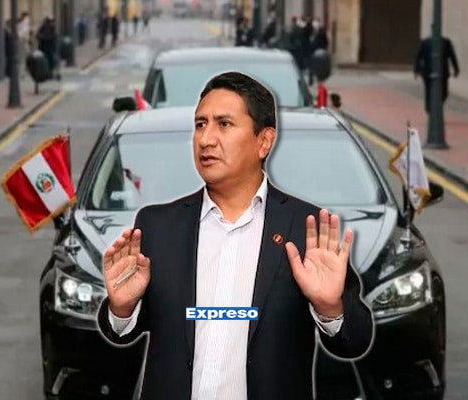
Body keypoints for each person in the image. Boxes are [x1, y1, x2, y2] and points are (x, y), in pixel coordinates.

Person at [96, 72, 374, 399]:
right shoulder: (158, 226)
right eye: (200, 124)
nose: (206, 139)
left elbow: (354, 341)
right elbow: (123, 332)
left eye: (224, 124)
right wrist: (122, 309)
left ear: (264, 141)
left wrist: (330, 308)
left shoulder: (305, 229)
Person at [414, 35, 460, 114]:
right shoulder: (425, 42)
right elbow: (418, 56)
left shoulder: (446, 42)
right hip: (428, 72)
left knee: (443, 93)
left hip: (442, 73)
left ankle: (433, 107)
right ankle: (430, 110)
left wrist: (456, 69)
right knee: (429, 92)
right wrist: (416, 70)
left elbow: (452, 56)